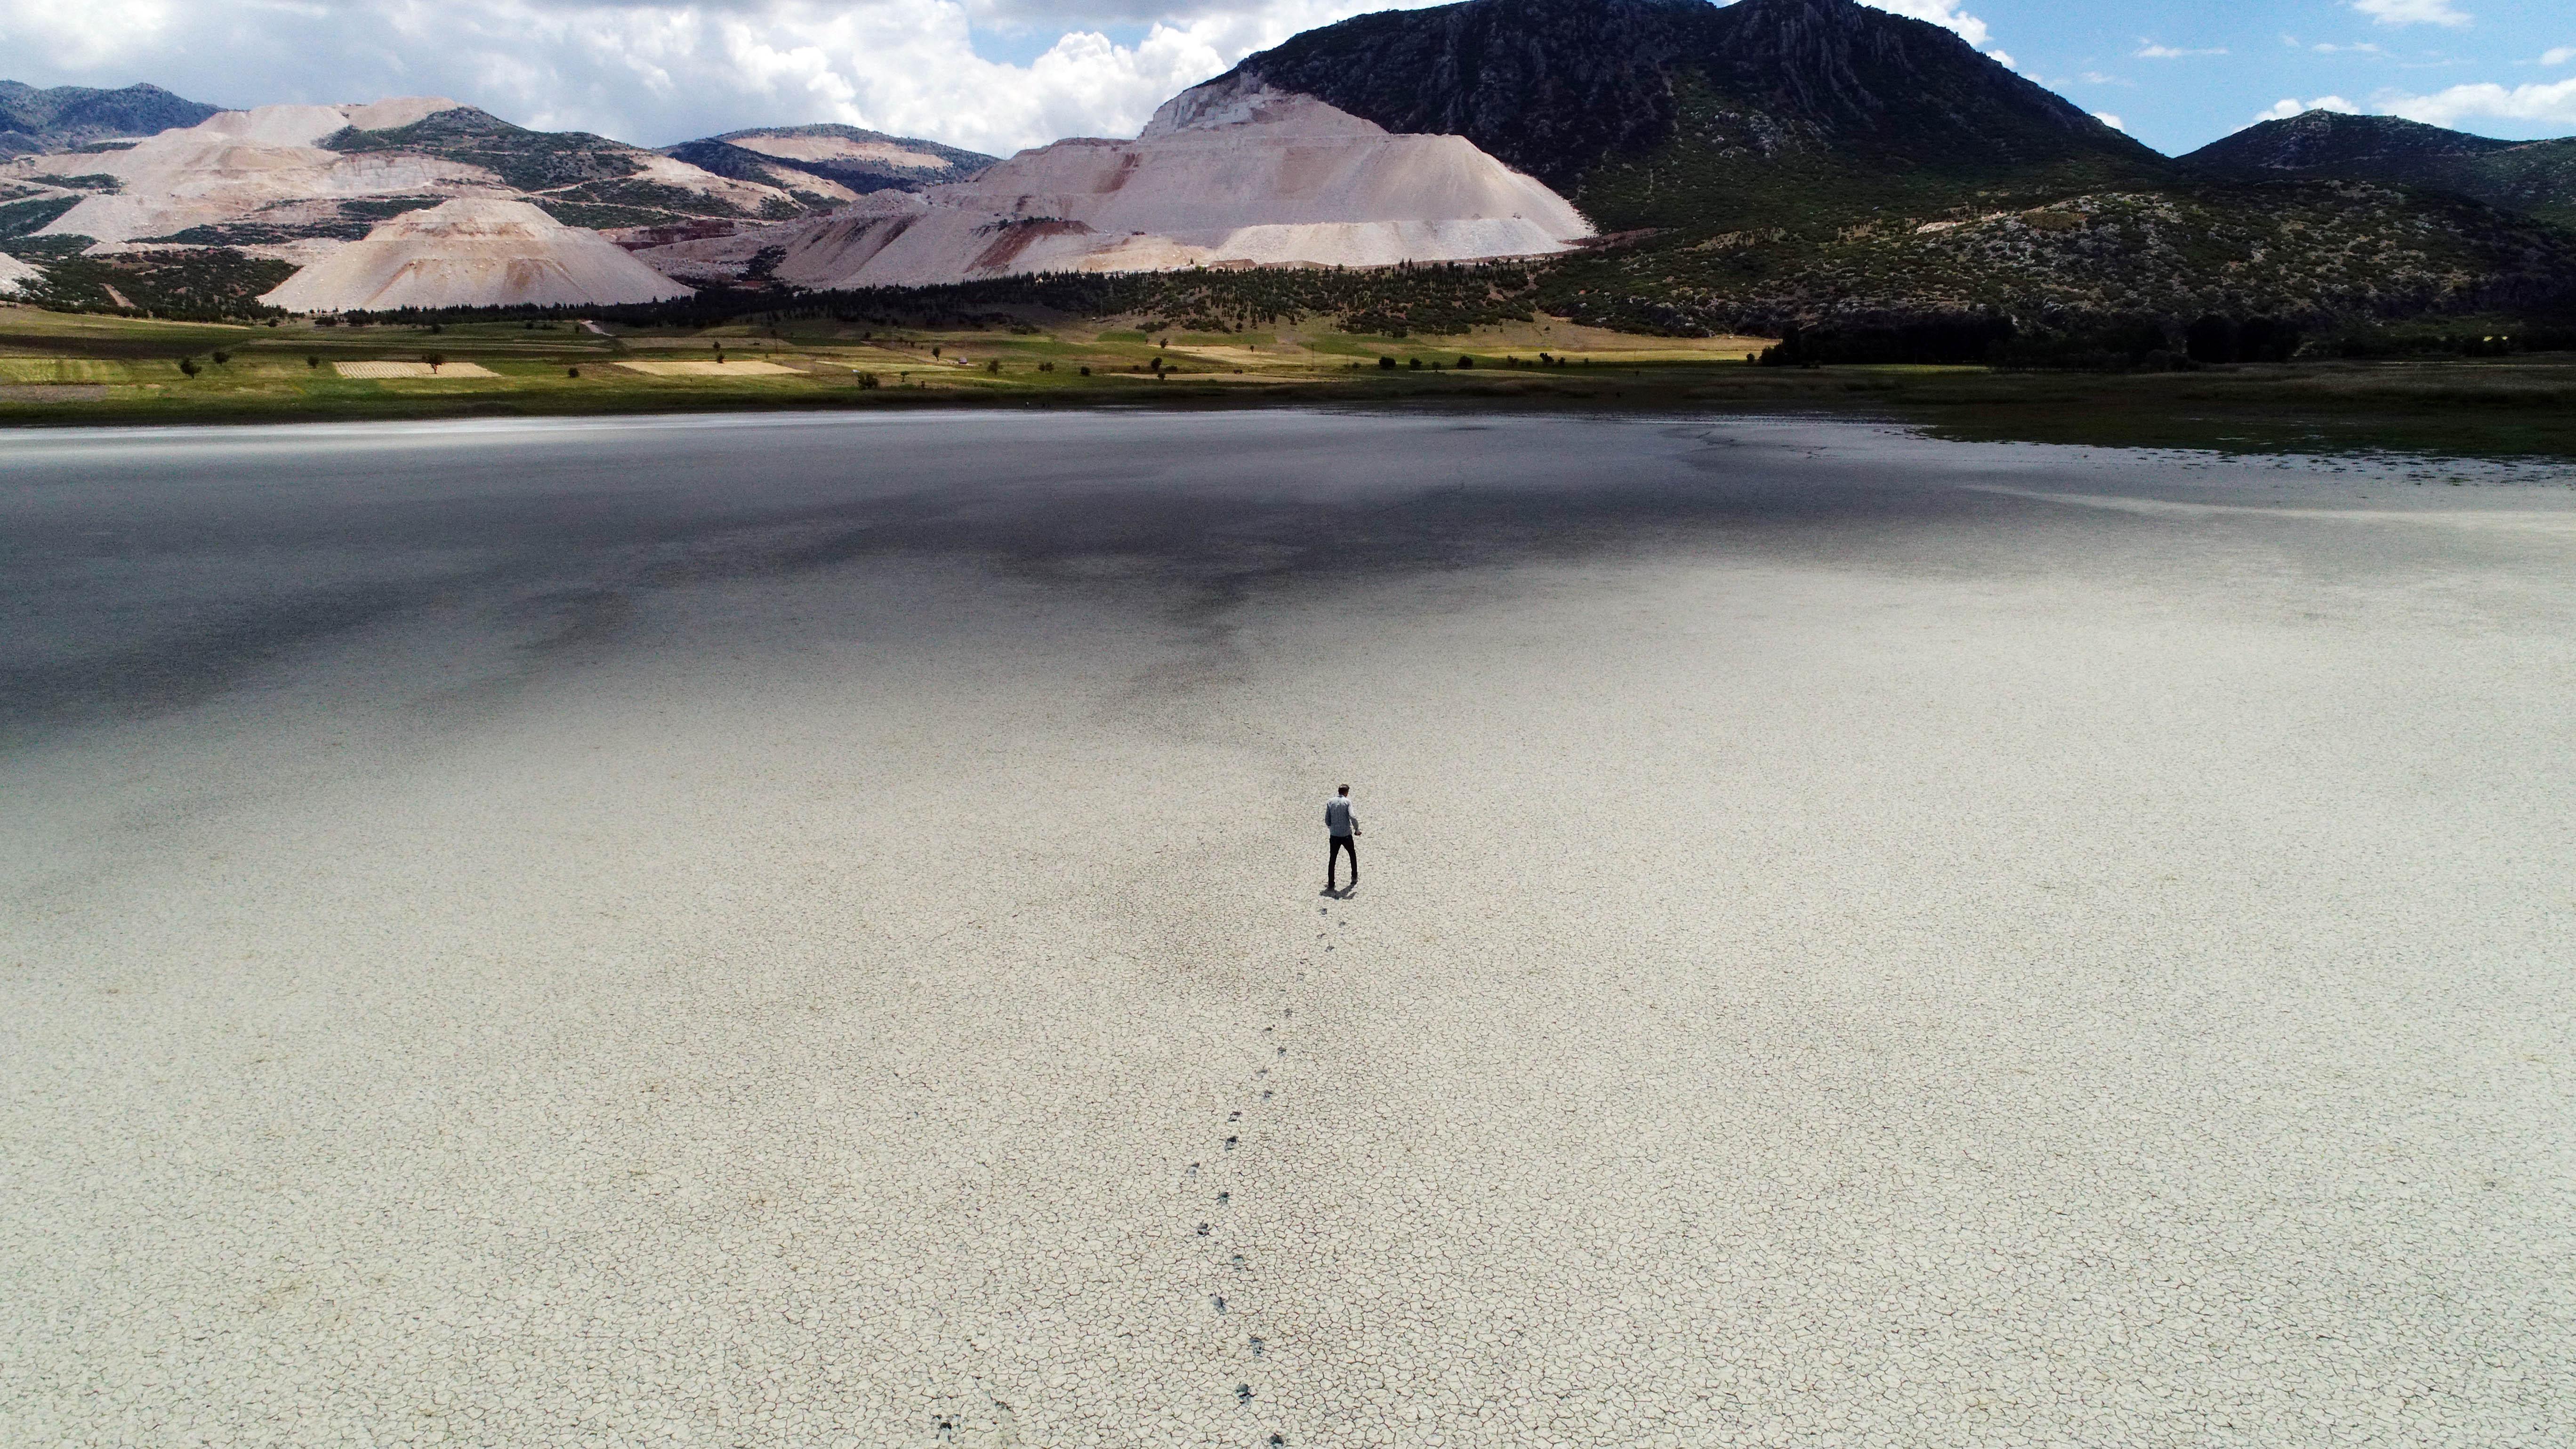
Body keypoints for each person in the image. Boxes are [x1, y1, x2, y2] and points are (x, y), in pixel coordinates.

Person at [1325, 785, 1360, 893]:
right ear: (1346, 793)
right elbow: (1352, 816)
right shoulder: (1347, 802)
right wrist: (1357, 829)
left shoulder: (1330, 802)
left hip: (1334, 835)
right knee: (1352, 855)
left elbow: (1327, 819)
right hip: (1346, 835)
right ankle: (1354, 877)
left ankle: (1331, 882)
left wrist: (1332, 827)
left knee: (1333, 859)